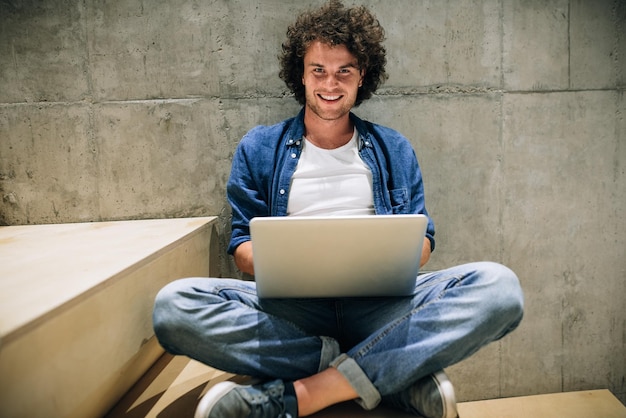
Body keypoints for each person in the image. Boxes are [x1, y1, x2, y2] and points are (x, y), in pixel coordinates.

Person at [153, 1, 524, 417]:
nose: (331, 82)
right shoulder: (258, 148)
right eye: (319, 70)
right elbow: (242, 249)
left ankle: (299, 396)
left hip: (382, 309)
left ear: (362, 75)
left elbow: (422, 244)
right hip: (294, 313)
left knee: (500, 290)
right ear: (301, 73)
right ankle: (391, 374)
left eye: (344, 70)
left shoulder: (394, 148)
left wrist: (382, 258)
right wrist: (302, 263)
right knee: (174, 307)